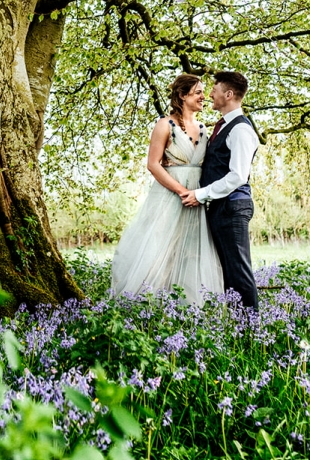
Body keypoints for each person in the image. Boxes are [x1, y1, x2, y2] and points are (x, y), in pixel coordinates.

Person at [111, 73, 224, 304]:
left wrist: (201, 194)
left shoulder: (203, 128)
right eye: (198, 92)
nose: (205, 96)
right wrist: (182, 191)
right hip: (169, 197)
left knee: (191, 251)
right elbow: (153, 164)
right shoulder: (165, 125)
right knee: (160, 248)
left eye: (204, 92)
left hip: (196, 200)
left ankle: (188, 304)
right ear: (182, 96)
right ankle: (148, 302)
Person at [179, 70, 260, 309]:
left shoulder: (241, 130)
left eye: (214, 91)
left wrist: (200, 194)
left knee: (239, 272)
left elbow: (237, 176)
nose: (209, 95)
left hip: (233, 207)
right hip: (222, 207)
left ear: (229, 94)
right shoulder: (223, 126)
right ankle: (239, 329)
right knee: (228, 272)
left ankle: (250, 332)